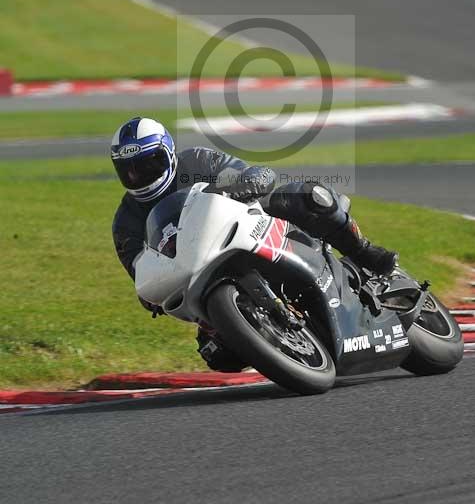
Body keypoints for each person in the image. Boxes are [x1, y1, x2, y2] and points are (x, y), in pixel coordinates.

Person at [111, 116, 397, 371]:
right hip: (195, 272)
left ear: (169, 153)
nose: (140, 175)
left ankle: (363, 251)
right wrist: (151, 294)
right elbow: (141, 273)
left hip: (245, 224)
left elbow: (255, 173)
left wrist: (247, 183)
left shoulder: (195, 161)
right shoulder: (126, 222)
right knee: (218, 356)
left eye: (151, 163)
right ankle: (276, 337)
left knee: (312, 197)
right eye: (130, 170)